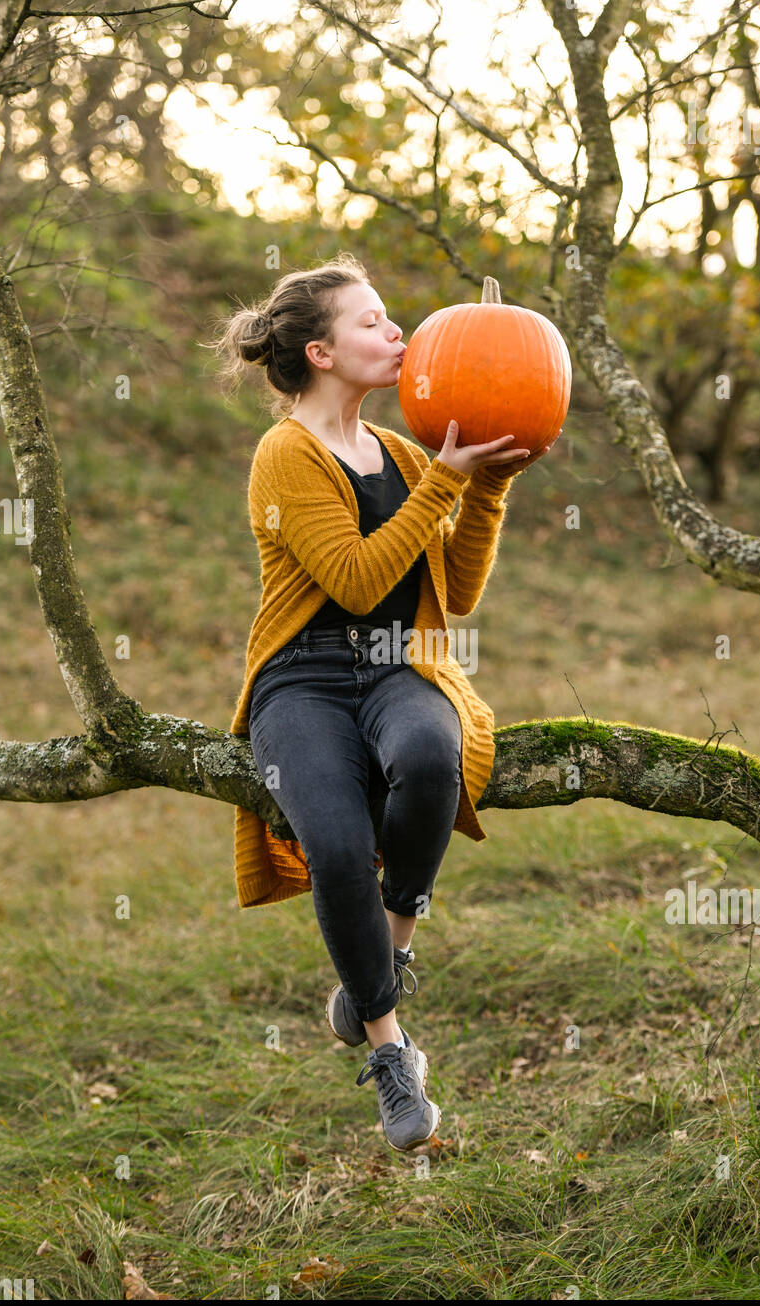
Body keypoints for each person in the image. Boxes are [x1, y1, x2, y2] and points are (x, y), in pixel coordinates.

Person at [214, 252, 556, 1153]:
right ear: (321, 354)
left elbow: (461, 588)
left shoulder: (404, 452)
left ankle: (391, 948)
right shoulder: (284, 455)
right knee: (331, 843)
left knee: (432, 757)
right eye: (372, 322)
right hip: (304, 678)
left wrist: (487, 486)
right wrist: (445, 482)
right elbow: (360, 583)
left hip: (403, 666)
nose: (398, 333)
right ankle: (389, 1046)